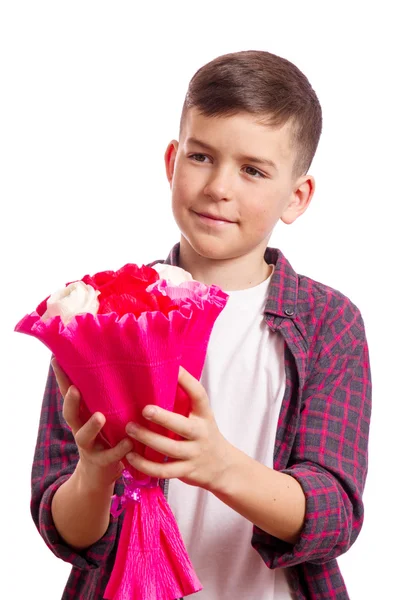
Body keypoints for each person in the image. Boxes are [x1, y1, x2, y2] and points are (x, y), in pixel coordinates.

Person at [32, 50, 371, 600]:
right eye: (201, 157)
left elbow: (333, 515)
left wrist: (219, 465)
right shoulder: (96, 314)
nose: (219, 187)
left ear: (297, 196)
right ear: (171, 161)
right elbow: (63, 530)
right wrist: (93, 474)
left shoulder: (330, 323)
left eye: (253, 170)